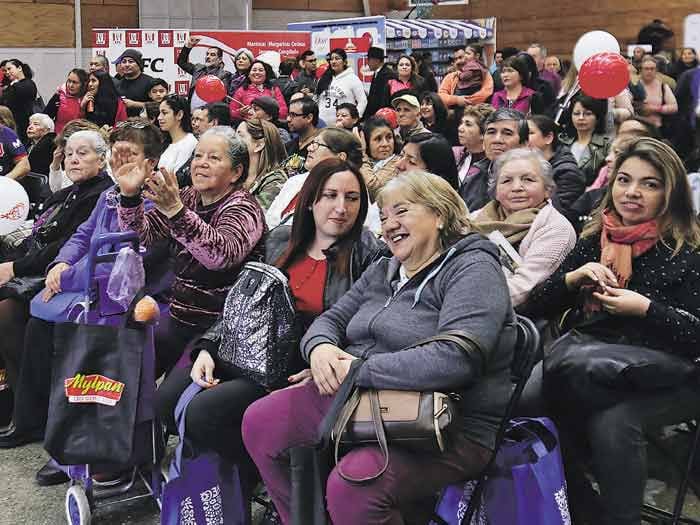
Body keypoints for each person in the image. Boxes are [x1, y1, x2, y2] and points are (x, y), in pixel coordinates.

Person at [243, 169, 517, 525]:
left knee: (355, 484)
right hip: (361, 399)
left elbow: (455, 359)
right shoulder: (385, 269)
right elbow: (332, 319)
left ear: (438, 214)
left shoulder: (474, 268)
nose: (389, 225)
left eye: (401, 212)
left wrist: (357, 370)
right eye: (384, 216)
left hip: (446, 421)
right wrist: (321, 349)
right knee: (260, 422)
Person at [156, 157, 381, 499]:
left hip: (292, 367)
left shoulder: (368, 254)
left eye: (352, 198)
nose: (340, 207)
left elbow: (368, 325)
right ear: (311, 201)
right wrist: (208, 347)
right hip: (248, 347)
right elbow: (242, 300)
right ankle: (247, 472)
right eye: (330, 195)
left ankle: (260, 476)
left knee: (202, 415)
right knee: (165, 404)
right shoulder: (282, 239)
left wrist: (324, 361)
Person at [520, 137, 700, 525]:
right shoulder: (595, 239)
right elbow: (535, 303)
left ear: (671, 191)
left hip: (671, 372)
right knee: (525, 401)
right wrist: (571, 279)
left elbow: (695, 335)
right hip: (590, 362)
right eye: (624, 180)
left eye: (650, 184)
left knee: (613, 421)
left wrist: (645, 309)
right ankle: (581, 508)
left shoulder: (689, 248)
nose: (632, 193)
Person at [0, 122, 169, 488]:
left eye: (131, 156)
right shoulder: (108, 196)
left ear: (151, 163)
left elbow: (131, 259)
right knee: (35, 319)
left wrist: (71, 277)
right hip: (90, 287)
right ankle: (50, 425)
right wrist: (61, 264)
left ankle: (81, 440)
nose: (120, 162)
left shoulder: (158, 201)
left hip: (131, 296)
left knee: (56, 327)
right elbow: (83, 236)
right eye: (117, 154)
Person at [117, 126, 266, 376]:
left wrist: (176, 212)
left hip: (219, 327)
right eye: (198, 156)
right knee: (127, 374)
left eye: (214, 158)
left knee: (166, 399)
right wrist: (130, 196)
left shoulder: (243, 208)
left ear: (236, 172)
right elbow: (144, 235)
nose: (201, 164)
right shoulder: (187, 196)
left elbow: (220, 256)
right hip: (180, 314)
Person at [0, 129, 113, 392]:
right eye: (69, 154)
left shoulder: (100, 194)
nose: (73, 159)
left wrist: (14, 267)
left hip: (72, 277)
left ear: (102, 159)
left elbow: (64, 247)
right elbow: (37, 235)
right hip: (37, 265)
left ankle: (27, 401)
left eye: (82, 154)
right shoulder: (70, 192)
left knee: (6, 314)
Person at [472, 147, 576, 306]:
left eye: (528, 179)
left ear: (547, 189)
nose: (516, 188)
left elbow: (523, 288)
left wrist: (464, 301)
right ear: (496, 191)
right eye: (506, 181)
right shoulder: (473, 219)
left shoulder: (556, 228)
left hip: (509, 315)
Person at [267, 127, 365, 229]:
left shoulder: (352, 191)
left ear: (340, 157)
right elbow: (269, 220)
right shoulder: (295, 181)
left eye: (318, 145)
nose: (310, 148)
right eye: (312, 143)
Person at [461, 108, 529, 211]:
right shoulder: (473, 180)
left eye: (507, 133)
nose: (497, 140)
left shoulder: (535, 182)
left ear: (524, 144)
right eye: (491, 132)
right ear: (483, 142)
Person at [527, 114, 586, 217]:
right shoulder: (525, 164)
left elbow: (562, 214)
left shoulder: (567, 173)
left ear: (548, 138)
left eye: (530, 133)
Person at [236, 119, 288, 210]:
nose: (232, 141)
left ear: (259, 145)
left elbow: (252, 219)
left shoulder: (275, 180)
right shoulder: (235, 173)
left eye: (239, 136)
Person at [559, 94, 610, 186]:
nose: (581, 118)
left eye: (587, 114)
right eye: (576, 114)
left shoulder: (607, 145)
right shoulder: (562, 141)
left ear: (597, 117)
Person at [177, 35, 233, 108]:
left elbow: (223, 98)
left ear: (219, 59)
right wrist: (188, 46)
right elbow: (181, 62)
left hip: (211, 112)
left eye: (212, 55)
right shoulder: (198, 69)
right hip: (193, 111)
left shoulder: (225, 75)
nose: (208, 57)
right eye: (207, 54)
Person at [315, 49, 367, 126]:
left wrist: (354, 119)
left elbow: (363, 101)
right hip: (322, 125)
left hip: (343, 127)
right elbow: (317, 99)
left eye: (337, 58)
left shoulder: (353, 78)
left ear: (345, 62)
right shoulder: (323, 79)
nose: (333, 61)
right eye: (331, 59)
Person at [454, 104, 492, 194]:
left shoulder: (491, 165)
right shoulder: (454, 153)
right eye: (461, 123)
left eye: (468, 124)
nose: (460, 128)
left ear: (483, 134)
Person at [361, 116, 401, 200]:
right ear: (366, 142)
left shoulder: (398, 162)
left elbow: (372, 187)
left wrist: (362, 154)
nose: (385, 144)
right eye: (378, 139)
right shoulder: (362, 161)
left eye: (389, 137)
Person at [0, 59, 38, 144]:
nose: (7, 72)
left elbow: (7, 100)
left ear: (19, 68)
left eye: (9, 69)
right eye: (5, 70)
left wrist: (12, 85)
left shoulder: (28, 83)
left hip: (22, 125)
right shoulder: (12, 85)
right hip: (13, 124)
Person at [157, 95, 197, 174]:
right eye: (159, 113)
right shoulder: (166, 143)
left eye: (164, 113)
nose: (159, 117)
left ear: (179, 115)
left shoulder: (189, 143)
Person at [637, 55, 678, 132]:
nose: (649, 71)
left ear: (656, 71)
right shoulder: (634, 86)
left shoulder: (663, 87)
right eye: (646, 69)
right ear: (641, 70)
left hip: (658, 128)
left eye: (652, 69)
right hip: (637, 127)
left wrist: (656, 109)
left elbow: (674, 107)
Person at [113, 49, 154, 118]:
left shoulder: (150, 82)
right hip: (123, 126)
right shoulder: (117, 84)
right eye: (124, 62)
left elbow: (158, 105)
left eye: (131, 61)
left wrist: (135, 104)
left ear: (139, 64)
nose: (127, 65)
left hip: (145, 126)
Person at [284, 96, 319, 170]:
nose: (288, 119)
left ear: (309, 118)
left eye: (293, 115)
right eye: (288, 115)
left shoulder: (321, 146)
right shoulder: (288, 146)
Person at [365, 46, 396, 117]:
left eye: (369, 59)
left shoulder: (388, 75)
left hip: (383, 116)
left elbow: (384, 99)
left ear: (376, 60)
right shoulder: (377, 73)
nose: (367, 63)